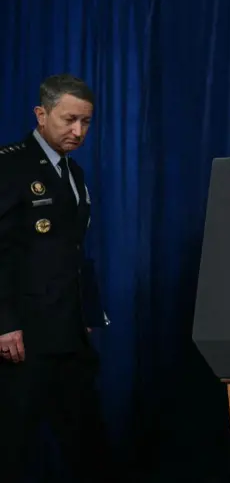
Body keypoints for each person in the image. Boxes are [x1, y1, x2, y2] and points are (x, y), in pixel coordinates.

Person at [0, 74, 111, 482]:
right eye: (68, 120)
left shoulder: (74, 173)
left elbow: (75, 250)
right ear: (41, 114)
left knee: (89, 446)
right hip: (23, 338)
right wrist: (4, 323)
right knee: (12, 447)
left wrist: (89, 313)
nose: (77, 131)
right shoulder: (9, 164)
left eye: (85, 122)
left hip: (69, 333)